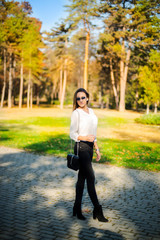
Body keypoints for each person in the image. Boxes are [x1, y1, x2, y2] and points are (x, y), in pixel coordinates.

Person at [70, 88, 108, 222]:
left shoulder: (91, 112)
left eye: (83, 97)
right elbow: (72, 134)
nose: (80, 100)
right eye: (78, 98)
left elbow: (94, 133)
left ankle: (76, 207)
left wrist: (97, 149)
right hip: (81, 148)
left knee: (81, 179)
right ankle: (97, 210)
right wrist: (85, 137)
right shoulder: (76, 113)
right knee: (91, 178)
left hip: (90, 148)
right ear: (76, 100)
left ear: (87, 98)